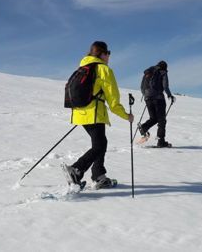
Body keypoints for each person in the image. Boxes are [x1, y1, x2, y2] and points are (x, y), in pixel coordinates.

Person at [63, 41, 134, 188]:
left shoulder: (83, 67)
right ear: (102, 54)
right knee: (100, 145)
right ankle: (77, 170)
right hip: (94, 113)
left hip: (79, 113)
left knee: (100, 143)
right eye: (108, 53)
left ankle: (98, 175)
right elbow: (113, 102)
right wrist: (126, 116)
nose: (109, 56)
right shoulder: (103, 70)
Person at [138, 61, 175, 148]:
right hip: (158, 99)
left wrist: (146, 95)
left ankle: (143, 128)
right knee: (161, 120)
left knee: (154, 118)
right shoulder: (163, 72)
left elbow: (141, 87)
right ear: (165, 67)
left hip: (147, 98)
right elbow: (165, 86)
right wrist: (169, 95)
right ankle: (161, 141)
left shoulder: (148, 72)